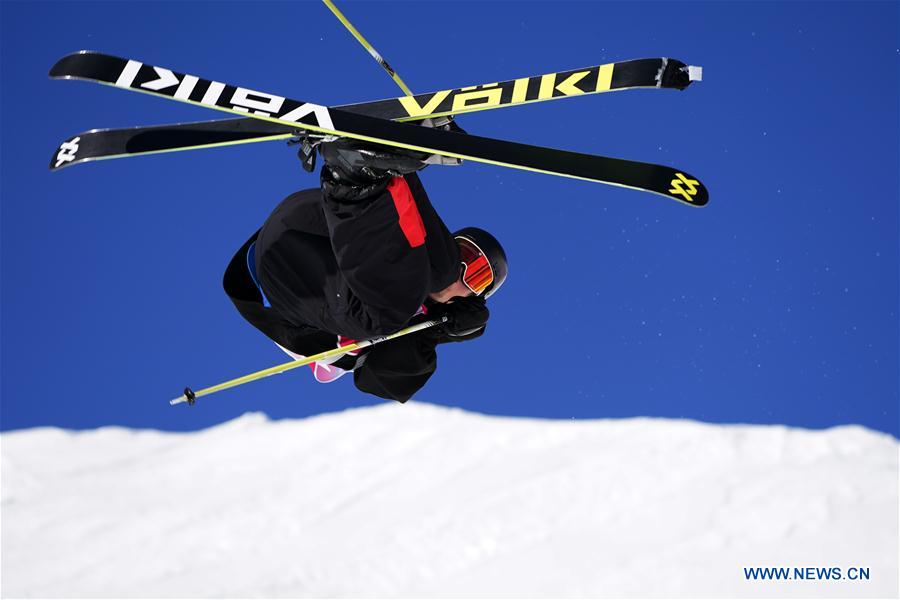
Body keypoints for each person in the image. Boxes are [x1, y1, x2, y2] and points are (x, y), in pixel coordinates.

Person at [222, 137, 508, 403]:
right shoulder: (423, 269)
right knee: (436, 267)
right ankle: (384, 156)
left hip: (284, 283)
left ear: (474, 300)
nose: (462, 267)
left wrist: (438, 329)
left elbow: (381, 380)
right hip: (305, 225)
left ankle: (352, 177)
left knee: (403, 302)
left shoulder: (408, 322)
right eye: (464, 252)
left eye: (476, 273)